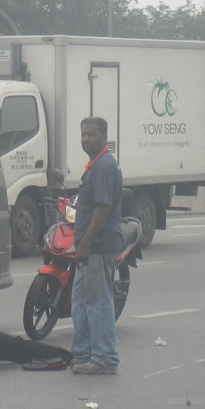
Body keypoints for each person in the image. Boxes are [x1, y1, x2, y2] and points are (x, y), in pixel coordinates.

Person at [71, 117, 123, 375]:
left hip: (98, 247)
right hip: (89, 247)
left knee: (97, 302)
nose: (85, 139)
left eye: (91, 135)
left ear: (104, 136)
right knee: (81, 302)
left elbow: (103, 209)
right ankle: (84, 354)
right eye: (83, 135)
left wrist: (86, 243)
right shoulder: (95, 165)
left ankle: (104, 358)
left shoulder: (104, 166)